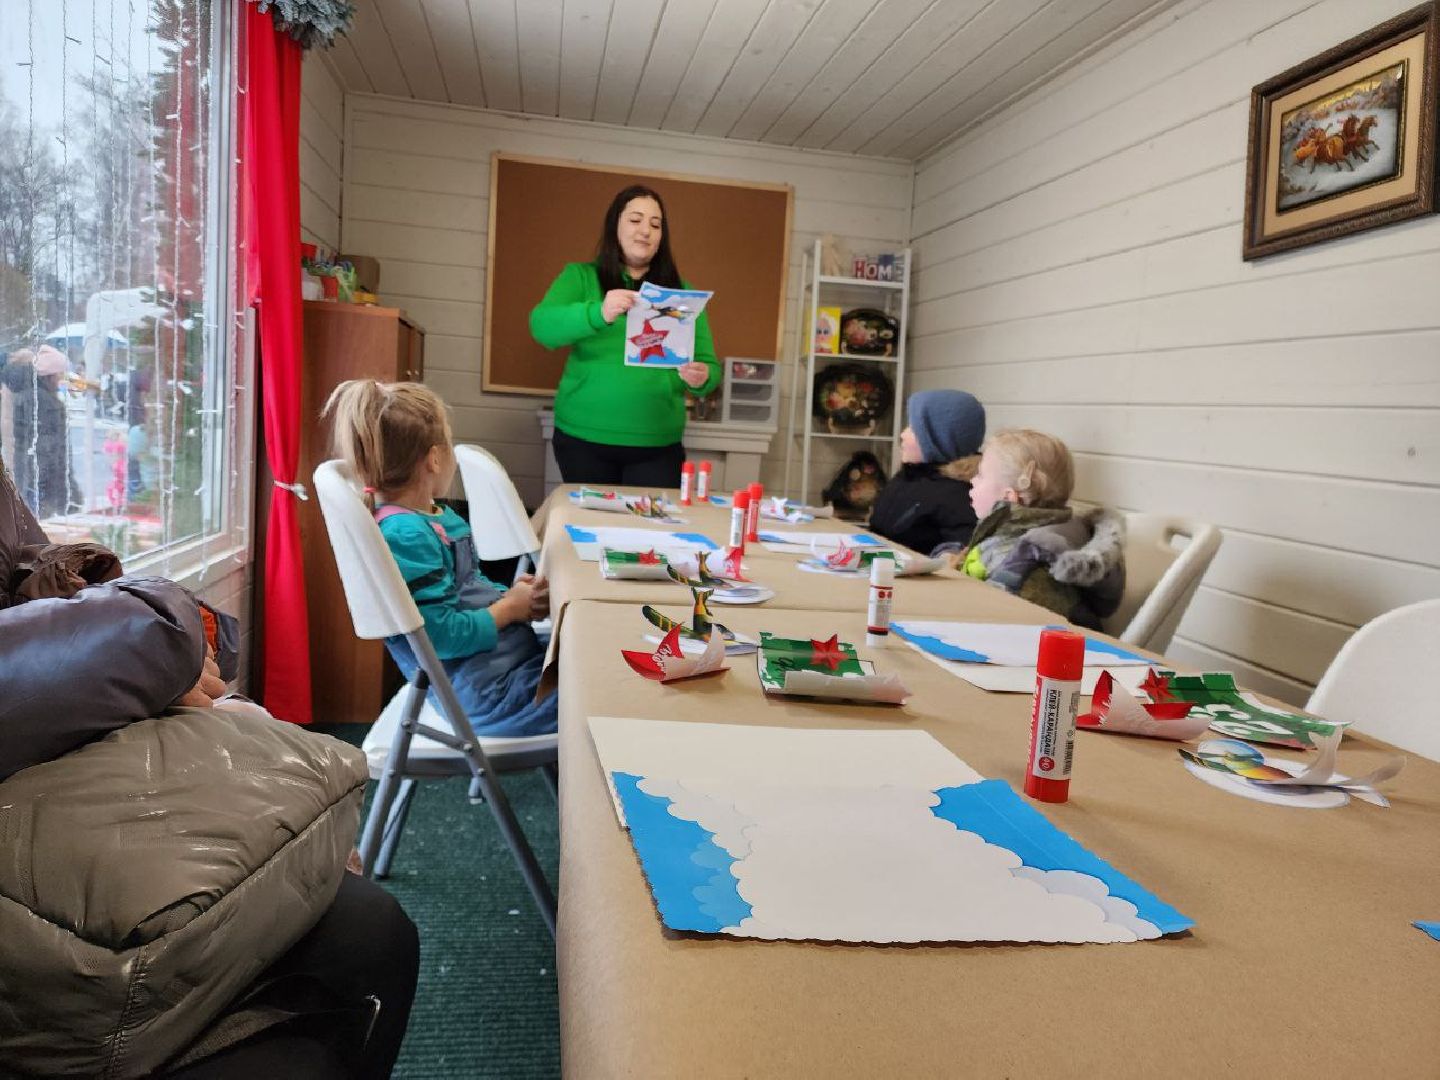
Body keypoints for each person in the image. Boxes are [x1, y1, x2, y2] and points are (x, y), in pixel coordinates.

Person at [324, 379, 557, 737]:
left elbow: (466, 588)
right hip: (493, 694)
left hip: (502, 670)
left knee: (588, 657)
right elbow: (442, 637)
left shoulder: (429, 520)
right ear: (434, 458)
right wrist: (509, 609)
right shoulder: (408, 535)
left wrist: (514, 599)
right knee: (603, 687)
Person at [529, 184, 721, 487]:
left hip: (657, 444)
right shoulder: (580, 277)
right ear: (614, 226)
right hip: (582, 439)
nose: (645, 230)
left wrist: (702, 378)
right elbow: (542, 327)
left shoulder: (681, 293)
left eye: (655, 224)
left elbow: (709, 367)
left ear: (662, 236)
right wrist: (598, 313)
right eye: (635, 220)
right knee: (589, 531)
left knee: (649, 535)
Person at [941, 428, 1125, 630]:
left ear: (1009, 497)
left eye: (981, 475)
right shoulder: (1009, 534)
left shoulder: (1028, 564)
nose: (973, 481)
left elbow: (1003, 629)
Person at [868, 389, 986, 554]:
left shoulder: (959, 497)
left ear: (938, 440)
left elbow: (954, 561)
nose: (903, 434)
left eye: (914, 429)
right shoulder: (910, 476)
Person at [0, 344, 79, 517]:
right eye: (61, 373)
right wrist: (59, 491)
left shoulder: (35, 395)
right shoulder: (42, 401)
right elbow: (47, 449)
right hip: (42, 483)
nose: (63, 378)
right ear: (50, 375)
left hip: (33, 478)